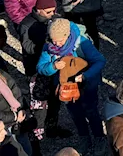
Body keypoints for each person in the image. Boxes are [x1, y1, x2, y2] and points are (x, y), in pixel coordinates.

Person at [36, 18, 106, 146]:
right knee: (75, 113)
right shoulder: (49, 46)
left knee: (91, 111)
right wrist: (53, 66)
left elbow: (100, 61)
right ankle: (84, 139)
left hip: (87, 85)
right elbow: (40, 67)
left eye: (60, 41)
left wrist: (85, 75)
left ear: (67, 35)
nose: (56, 44)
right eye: (54, 41)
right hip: (66, 88)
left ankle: (99, 138)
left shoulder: (82, 42)